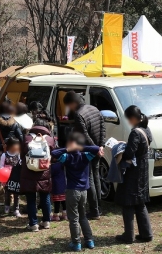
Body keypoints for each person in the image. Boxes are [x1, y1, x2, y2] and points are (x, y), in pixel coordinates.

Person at [51, 132, 100, 251]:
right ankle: (89, 241)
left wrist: (68, 149)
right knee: (83, 216)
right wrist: (80, 147)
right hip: (84, 191)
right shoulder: (86, 156)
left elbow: (54, 153)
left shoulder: (66, 157)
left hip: (72, 190)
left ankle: (76, 242)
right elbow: (96, 148)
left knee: (73, 218)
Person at [63, 90, 106, 220]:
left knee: (90, 179)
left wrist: (94, 148)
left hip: (89, 150)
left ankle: (94, 211)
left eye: (68, 105)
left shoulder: (78, 114)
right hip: (98, 148)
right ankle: (98, 207)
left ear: (73, 103)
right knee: (96, 177)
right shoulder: (94, 108)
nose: (68, 108)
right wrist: (100, 146)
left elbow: (84, 135)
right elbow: (102, 128)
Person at [114, 105, 153, 245]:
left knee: (128, 203)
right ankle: (146, 234)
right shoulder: (146, 130)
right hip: (143, 170)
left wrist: (118, 151)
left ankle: (128, 236)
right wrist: (127, 144)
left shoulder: (135, 133)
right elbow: (138, 147)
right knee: (140, 203)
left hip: (133, 172)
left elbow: (130, 153)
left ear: (132, 118)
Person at [20, 118, 56, 231]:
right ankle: (46, 222)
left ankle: (33, 224)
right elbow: (54, 154)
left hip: (29, 171)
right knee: (45, 197)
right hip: (44, 172)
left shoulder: (27, 138)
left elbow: (22, 154)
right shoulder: (50, 139)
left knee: (31, 198)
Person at [0, 99, 24, 206]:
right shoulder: (14, 122)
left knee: (0, 174)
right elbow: (20, 136)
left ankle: (1, 198)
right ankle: (12, 196)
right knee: (13, 173)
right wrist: (21, 149)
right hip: (13, 150)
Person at [0, 136, 22, 216]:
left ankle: (16, 208)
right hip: (7, 178)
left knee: (17, 193)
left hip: (16, 177)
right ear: (9, 146)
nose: (15, 149)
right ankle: (7, 206)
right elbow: (1, 167)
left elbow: (20, 164)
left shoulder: (18, 154)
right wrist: (3, 178)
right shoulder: (4, 155)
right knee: (7, 192)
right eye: (14, 147)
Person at [51, 157, 67, 222]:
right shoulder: (62, 165)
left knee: (57, 202)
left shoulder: (53, 166)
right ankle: (65, 214)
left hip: (56, 186)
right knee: (64, 201)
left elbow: (50, 174)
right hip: (63, 186)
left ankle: (56, 215)